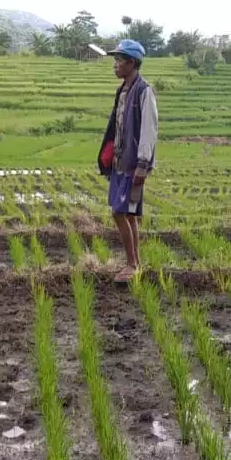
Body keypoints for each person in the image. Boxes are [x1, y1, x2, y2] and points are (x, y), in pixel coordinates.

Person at [97, 38, 158, 284]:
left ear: (131, 63)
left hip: (134, 165)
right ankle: (135, 263)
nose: (115, 65)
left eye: (119, 61)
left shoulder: (144, 91)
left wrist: (143, 164)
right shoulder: (123, 90)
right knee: (128, 214)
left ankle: (132, 265)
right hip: (120, 163)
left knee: (120, 212)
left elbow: (149, 130)